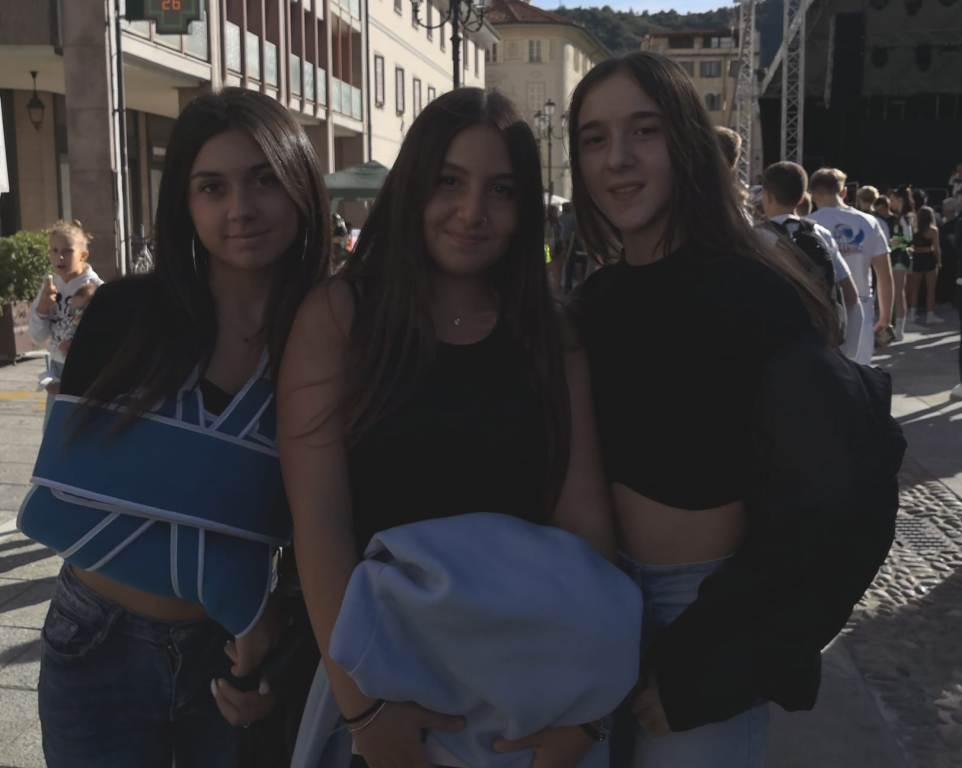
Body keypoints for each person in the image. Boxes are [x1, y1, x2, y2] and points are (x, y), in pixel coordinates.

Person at [562, 52, 903, 767]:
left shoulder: (753, 292)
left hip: (702, 611)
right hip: (595, 607)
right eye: (594, 138)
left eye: (644, 131)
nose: (617, 158)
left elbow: (845, 502)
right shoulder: (597, 300)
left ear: (686, 143)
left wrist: (721, 660)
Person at [278, 88, 623, 768]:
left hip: (530, 686)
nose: (472, 212)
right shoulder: (340, 316)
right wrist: (365, 711)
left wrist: (589, 710)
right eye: (449, 182)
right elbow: (319, 524)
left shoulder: (551, 334)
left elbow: (584, 521)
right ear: (413, 185)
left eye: (501, 190)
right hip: (379, 675)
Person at [28, 88, 330, 767]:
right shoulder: (126, 316)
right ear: (185, 204)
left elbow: (323, 524)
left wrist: (281, 656)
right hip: (97, 645)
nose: (240, 208)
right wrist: (235, 590)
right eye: (212, 187)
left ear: (301, 186)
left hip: (229, 658)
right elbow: (58, 507)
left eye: (264, 180)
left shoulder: (326, 340)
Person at [757, 161, 860, 350]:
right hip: (820, 345)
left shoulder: (755, 238)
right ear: (801, 199)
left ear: (767, 196)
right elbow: (851, 296)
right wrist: (850, 352)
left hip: (774, 348)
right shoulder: (820, 233)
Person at [809, 167, 893, 365]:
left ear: (812, 194)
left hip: (822, 309)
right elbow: (884, 274)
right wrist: (885, 318)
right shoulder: (870, 222)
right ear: (844, 192)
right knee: (859, 371)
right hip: (861, 308)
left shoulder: (808, 224)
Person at [28, 220, 103, 426]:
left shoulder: (96, 288)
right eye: (54, 250)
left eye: (67, 251)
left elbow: (107, 336)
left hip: (85, 371)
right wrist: (42, 308)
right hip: (56, 367)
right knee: (54, 431)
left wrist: (80, 346)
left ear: (83, 255)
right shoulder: (51, 285)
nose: (59, 257)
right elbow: (37, 336)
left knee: (81, 430)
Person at [878, 188, 914, 339]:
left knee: (898, 292)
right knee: (891, 292)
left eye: (892, 200)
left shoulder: (905, 217)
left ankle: (900, 329)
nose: (890, 202)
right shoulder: (895, 217)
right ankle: (892, 326)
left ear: (900, 200)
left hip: (900, 257)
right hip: (892, 256)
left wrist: (894, 243)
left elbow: (909, 239)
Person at [907, 205, 943, 324]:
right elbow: (936, 248)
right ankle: (930, 315)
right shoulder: (933, 230)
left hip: (917, 259)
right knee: (930, 289)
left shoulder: (913, 228)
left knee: (915, 289)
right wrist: (939, 261)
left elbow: (910, 246)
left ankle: (912, 314)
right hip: (929, 259)